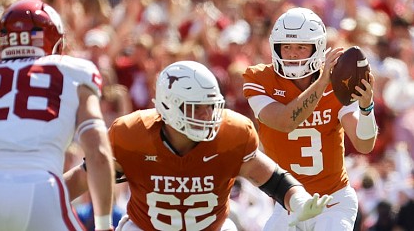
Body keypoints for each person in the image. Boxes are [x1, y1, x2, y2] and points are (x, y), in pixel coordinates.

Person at [65, 60, 333, 231]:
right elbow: (79, 181)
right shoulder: (132, 136)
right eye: (198, 109)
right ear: (169, 106)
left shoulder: (232, 134)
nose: (209, 116)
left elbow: (273, 179)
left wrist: (299, 201)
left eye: (211, 107)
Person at [0, 0, 115, 231]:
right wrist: (104, 224)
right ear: (54, 40)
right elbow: (99, 154)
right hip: (40, 189)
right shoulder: (74, 71)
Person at [242, 7, 378, 230]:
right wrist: (321, 83)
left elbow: (364, 145)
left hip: (333, 202)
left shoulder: (337, 82)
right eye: (286, 47)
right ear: (275, 47)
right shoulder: (259, 78)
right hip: (289, 204)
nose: (293, 54)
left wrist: (366, 108)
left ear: (317, 48)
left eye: (301, 47)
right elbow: (285, 122)